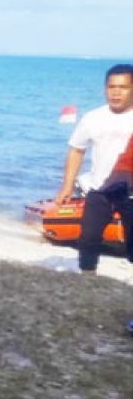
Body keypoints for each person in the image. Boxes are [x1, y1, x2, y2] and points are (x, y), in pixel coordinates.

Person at [54, 64, 133, 272]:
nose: (116, 92)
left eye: (123, 87)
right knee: (88, 238)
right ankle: (87, 279)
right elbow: (76, 150)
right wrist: (67, 186)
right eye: (111, 87)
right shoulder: (93, 118)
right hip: (100, 189)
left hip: (131, 192)